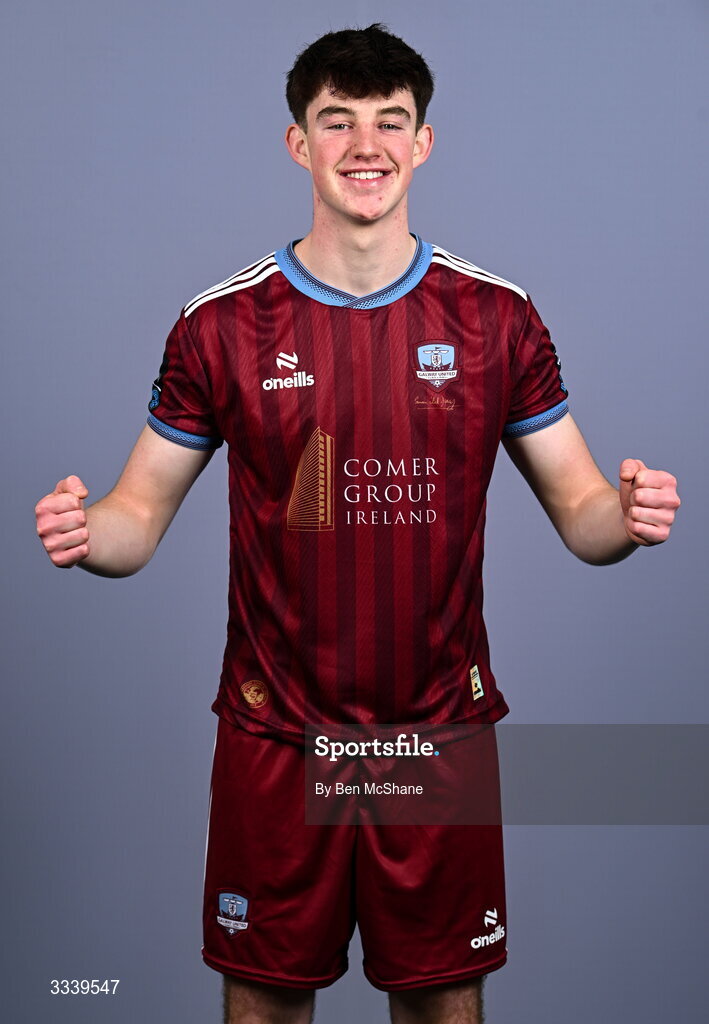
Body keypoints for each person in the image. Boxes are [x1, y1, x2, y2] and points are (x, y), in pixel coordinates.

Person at [34, 23, 680, 1024]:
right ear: (299, 142)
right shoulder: (220, 325)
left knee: (442, 1001)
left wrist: (628, 515)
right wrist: (86, 533)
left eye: (389, 121)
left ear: (424, 142)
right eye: (337, 121)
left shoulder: (496, 318)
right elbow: (136, 517)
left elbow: (581, 511)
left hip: (435, 735)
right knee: (262, 999)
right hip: (277, 733)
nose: (364, 145)